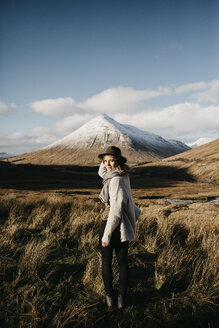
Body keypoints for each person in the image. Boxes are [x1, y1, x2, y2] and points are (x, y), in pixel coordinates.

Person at [98, 146, 141, 309]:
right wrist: (107, 158)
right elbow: (102, 172)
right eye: (105, 161)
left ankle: (110, 299)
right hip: (123, 226)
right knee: (123, 262)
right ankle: (121, 300)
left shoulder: (115, 179)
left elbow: (115, 210)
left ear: (118, 161)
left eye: (111, 160)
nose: (107, 164)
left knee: (106, 262)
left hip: (112, 224)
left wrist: (107, 235)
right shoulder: (120, 175)